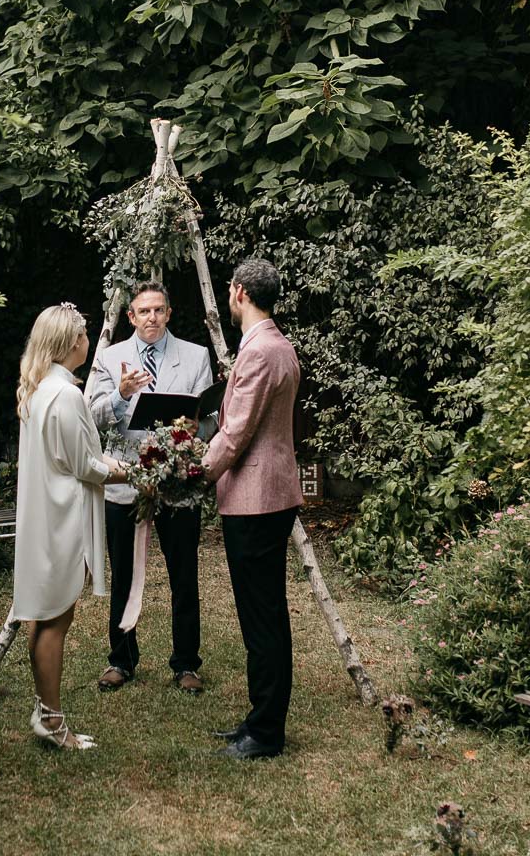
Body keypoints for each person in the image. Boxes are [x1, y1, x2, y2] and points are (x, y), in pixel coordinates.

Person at [9, 303, 130, 750]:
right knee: (56, 618)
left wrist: (112, 465)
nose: (87, 339)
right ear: (68, 344)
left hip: (46, 514)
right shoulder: (66, 395)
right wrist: (135, 472)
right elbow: (86, 465)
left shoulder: (41, 390)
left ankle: (45, 711)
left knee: (48, 615)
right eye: (82, 334)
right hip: (63, 520)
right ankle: (54, 722)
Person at [85, 281, 215, 694]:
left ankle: (186, 663)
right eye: (144, 311)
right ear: (131, 317)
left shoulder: (195, 356)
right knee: (122, 572)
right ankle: (121, 660)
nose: (152, 318)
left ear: (169, 313)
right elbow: (89, 417)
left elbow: (212, 418)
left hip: (176, 482)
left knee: (184, 573)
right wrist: (121, 395)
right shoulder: (109, 358)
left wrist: (198, 428)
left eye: (159, 310)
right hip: (124, 481)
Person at [202, 258, 303, 760]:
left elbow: (236, 432)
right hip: (266, 497)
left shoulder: (262, 351)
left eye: (229, 290)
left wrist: (193, 468)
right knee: (263, 613)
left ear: (239, 292)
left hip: (257, 501)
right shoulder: (276, 345)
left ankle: (265, 733)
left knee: (262, 616)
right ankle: (259, 718)